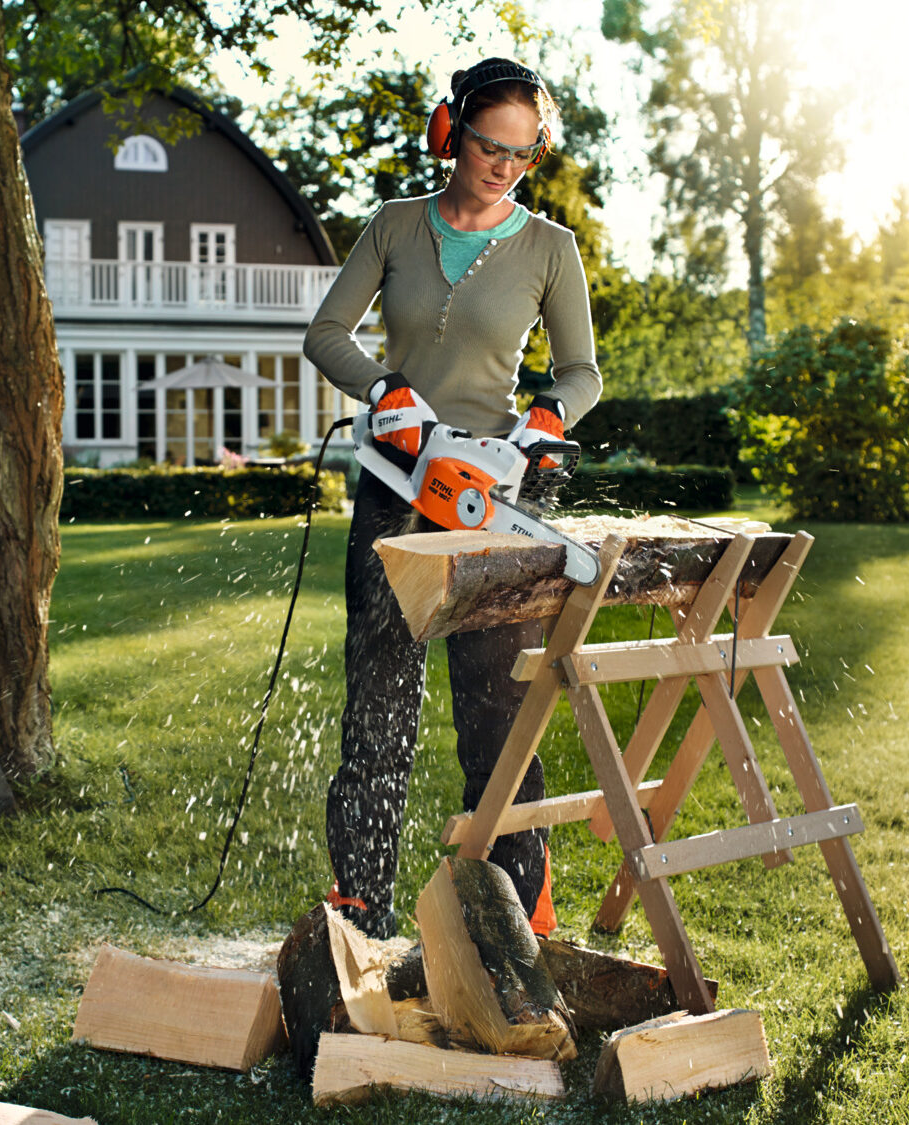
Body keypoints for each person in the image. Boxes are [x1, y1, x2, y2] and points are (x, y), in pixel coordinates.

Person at [303, 57, 602, 940]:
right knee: (380, 702)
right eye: (487, 145)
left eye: (522, 152)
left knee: (496, 707)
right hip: (398, 484)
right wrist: (386, 391)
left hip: (492, 489)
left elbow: (582, 371)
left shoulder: (551, 248)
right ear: (450, 132)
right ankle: (361, 904)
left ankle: (517, 910)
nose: (503, 165)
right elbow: (326, 333)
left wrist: (551, 411)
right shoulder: (395, 227)